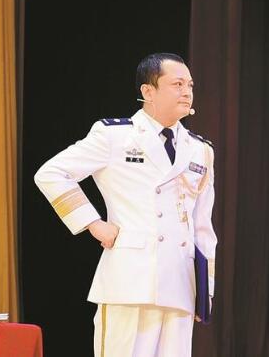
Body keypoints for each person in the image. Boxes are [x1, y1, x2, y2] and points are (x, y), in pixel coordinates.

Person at [34, 53, 217, 357]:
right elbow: (51, 174)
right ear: (148, 91)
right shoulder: (115, 136)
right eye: (177, 84)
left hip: (180, 284)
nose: (187, 92)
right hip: (131, 279)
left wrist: (205, 289)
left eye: (190, 85)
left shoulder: (200, 149)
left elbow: (203, 228)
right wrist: (94, 224)